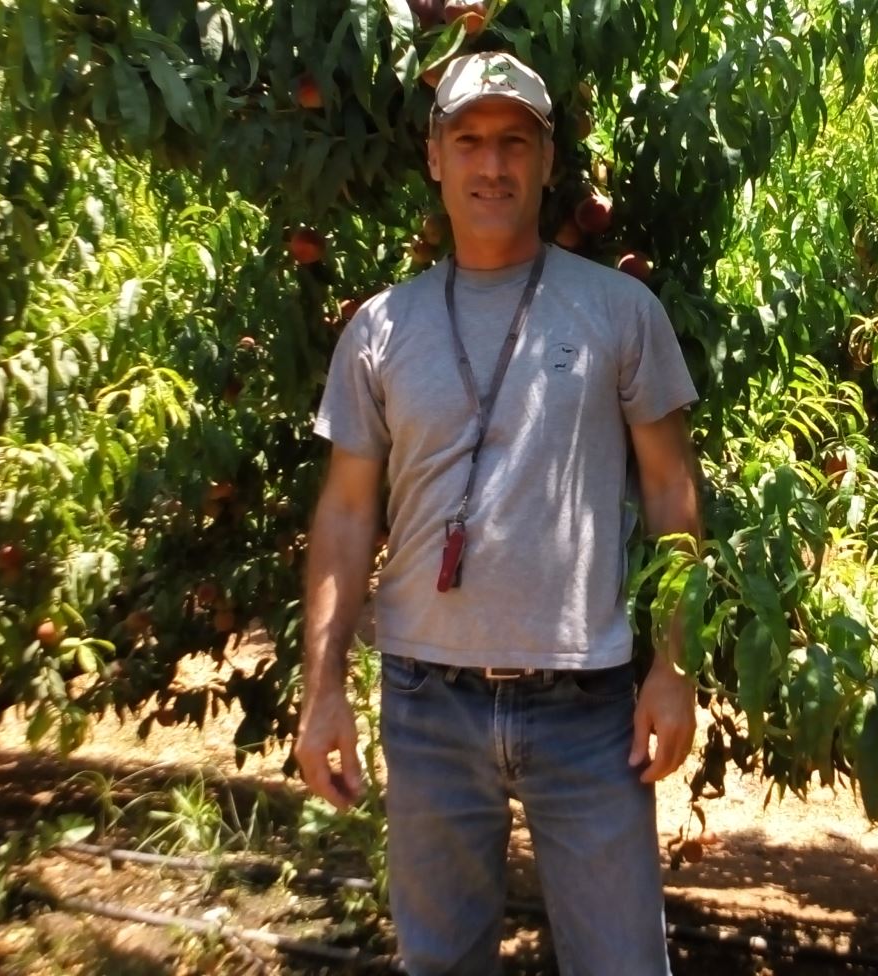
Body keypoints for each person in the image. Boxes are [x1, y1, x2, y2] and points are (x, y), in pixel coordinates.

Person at [293, 50, 702, 976]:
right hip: (427, 704)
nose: (492, 165)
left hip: (588, 706)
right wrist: (323, 689)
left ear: (547, 160)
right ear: (435, 156)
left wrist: (675, 665)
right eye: (469, 140)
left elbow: (672, 492)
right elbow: (347, 514)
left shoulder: (619, 311)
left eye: (514, 142)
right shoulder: (381, 328)